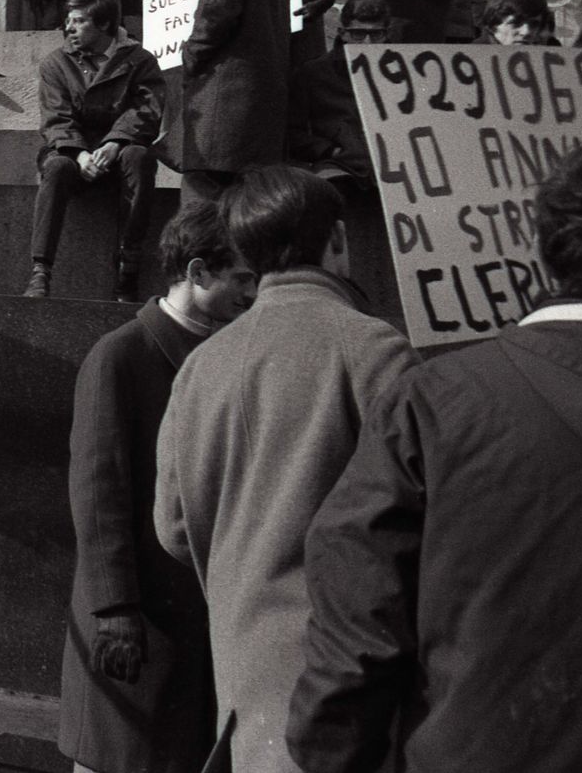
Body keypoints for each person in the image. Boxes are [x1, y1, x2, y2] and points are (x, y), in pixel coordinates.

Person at [287, 138, 582, 773]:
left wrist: (335, 753)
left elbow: (357, 632)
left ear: (547, 250)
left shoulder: (433, 401)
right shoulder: (426, 400)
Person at [155, 166, 416, 773]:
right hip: (352, 697)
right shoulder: (376, 351)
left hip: (241, 691)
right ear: (338, 240)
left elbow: (172, 528)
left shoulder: (200, 366)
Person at [59, 203, 256, 773]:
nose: (253, 292)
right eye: (242, 277)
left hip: (198, 622)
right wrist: (115, 609)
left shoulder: (232, 353)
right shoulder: (120, 355)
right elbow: (99, 495)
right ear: (196, 272)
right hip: (136, 625)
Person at [25, 0, 163, 300]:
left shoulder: (140, 60)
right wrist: (79, 154)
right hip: (71, 152)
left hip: (118, 153)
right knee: (56, 167)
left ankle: (128, 267)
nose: (68, 28)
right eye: (68, 21)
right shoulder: (56, 63)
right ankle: (40, 272)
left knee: (140, 158)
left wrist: (115, 143)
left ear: (104, 24)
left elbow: (146, 111)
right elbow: (55, 117)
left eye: (78, 21)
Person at [169, 0, 290, 205]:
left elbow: (217, 12)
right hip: (259, 106)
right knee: (242, 208)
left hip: (224, 103)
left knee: (200, 202)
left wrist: (190, 54)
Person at [287, 0, 387, 191]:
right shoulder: (314, 73)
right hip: (340, 167)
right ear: (343, 33)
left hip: (393, 166)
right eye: (358, 34)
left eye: (376, 34)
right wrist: (329, 151)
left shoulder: (401, 72)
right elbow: (292, 132)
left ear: (386, 34)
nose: (367, 43)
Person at [480, 0, 559, 44]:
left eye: (534, 25)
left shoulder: (554, 57)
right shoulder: (474, 56)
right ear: (493, 27)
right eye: (516, 23)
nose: (526, 32)